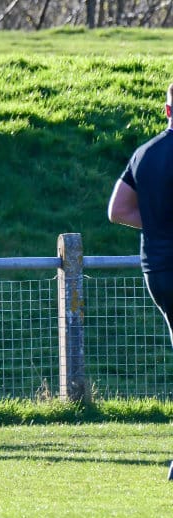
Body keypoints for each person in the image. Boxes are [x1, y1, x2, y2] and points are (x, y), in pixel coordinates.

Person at [108, 82, 173, 346]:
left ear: (167, 110)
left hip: (158, 269)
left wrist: (159, 224)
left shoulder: (144, 153)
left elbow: (118, 210)